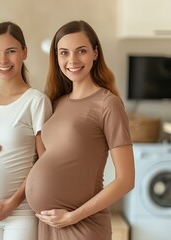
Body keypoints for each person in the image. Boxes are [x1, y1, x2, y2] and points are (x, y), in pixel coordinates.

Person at [25, 20, 135, 240]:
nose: (72, 60)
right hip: (48, 223)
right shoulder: (57, 102)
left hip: (81, 225)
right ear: (56, 58)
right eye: (64, 53)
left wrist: (72, 217)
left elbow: (126, 180)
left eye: (81, 51)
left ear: (95, 53)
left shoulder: (108, 104)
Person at [0, 22, 52, 240]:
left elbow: (45, 163)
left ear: (24, 52)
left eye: (11, 51)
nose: (3, 60)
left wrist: (12, 203)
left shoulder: (36, 101)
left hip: (20, 213)